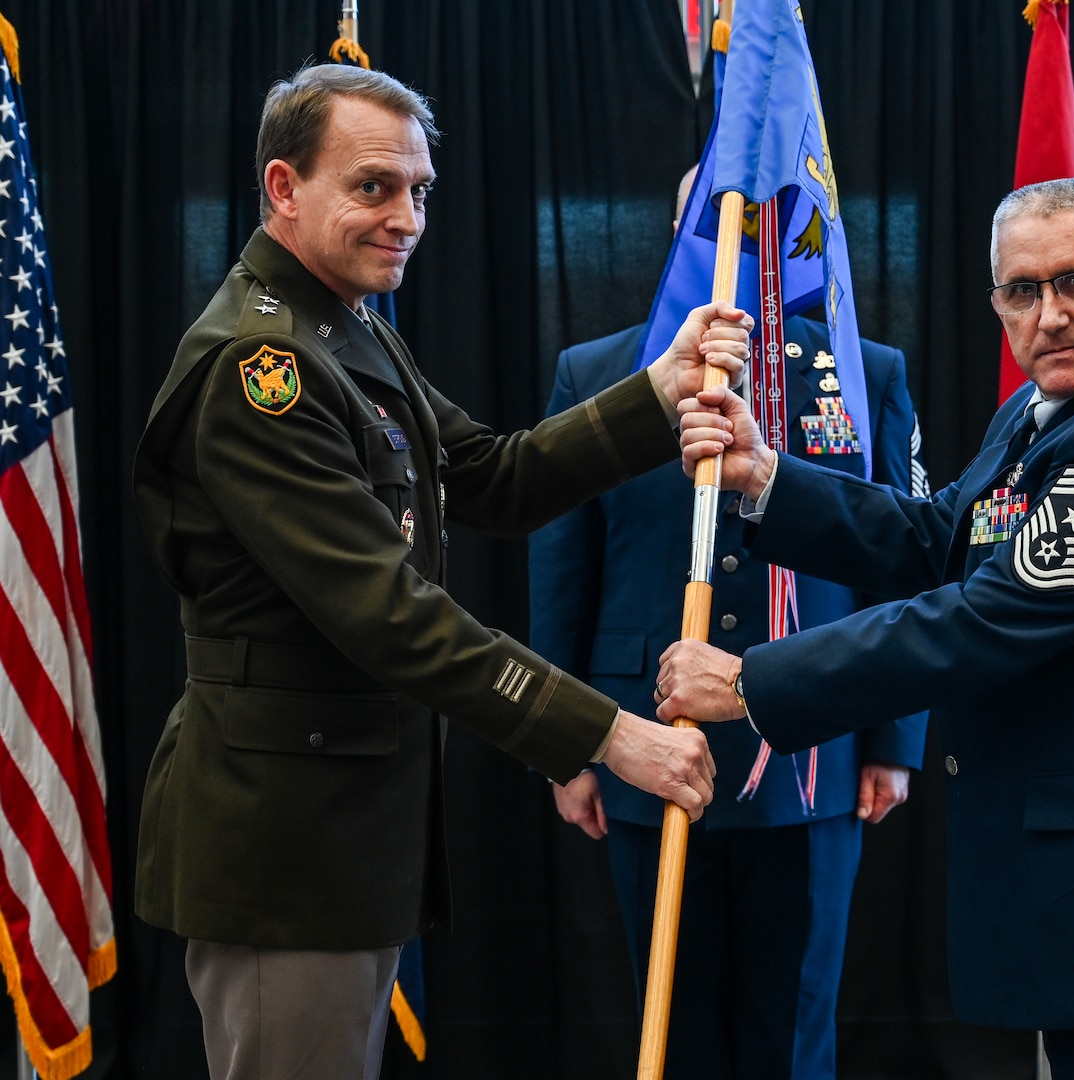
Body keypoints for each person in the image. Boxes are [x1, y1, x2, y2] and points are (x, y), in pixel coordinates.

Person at [131, 63, 750, 1080]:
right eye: (374, 186)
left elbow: (493, 478)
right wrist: (605, 732)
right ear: (284, 188)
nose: (406, 216)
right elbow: (391, 617)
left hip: (341, 827)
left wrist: (659, 390)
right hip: (285, 840)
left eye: (418, 189)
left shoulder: (345, 328)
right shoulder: (260, 372)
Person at [658, 177, 1074, 1080]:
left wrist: (750, 683)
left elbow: (980, 620)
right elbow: (945, 540)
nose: (1049, 315)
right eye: (1023, 291)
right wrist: (764, 475)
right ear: (998, 306)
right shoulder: (1042, 410)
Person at [529, 170, 928, 1080]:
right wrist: (566, 744)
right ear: (676, 237)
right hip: (639, 741)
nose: (735, 249)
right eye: (713, 226)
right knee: (669, 1030)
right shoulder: (599, 374)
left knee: (793, 1034)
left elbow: (904, 558)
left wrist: (896, 739)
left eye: (758, 226)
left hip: (814, 757)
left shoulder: (863, 375)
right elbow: (561, 571)